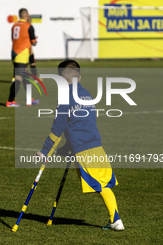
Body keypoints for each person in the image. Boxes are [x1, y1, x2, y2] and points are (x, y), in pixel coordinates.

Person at [36, 60, 125, 231]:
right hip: (96, 145)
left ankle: (116, 221)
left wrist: (45, 151)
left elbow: (58, 127)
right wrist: (66, 148)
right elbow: (82, 122)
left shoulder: (64, 97)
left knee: (100, 185)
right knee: (103, 184)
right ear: (80, 76)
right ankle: (115, 219)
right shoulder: (86, 94)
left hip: (84, 150)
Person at [6, 8, 39, 107]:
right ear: (27, 15)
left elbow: (15, 38)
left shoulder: (14, 25)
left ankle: (29, 99)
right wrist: (34, 40)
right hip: (22, 55)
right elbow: (33, 42)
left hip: (15, 53)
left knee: (25, 78)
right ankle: (10, 101)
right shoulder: (29, 26)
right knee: (19, 79)